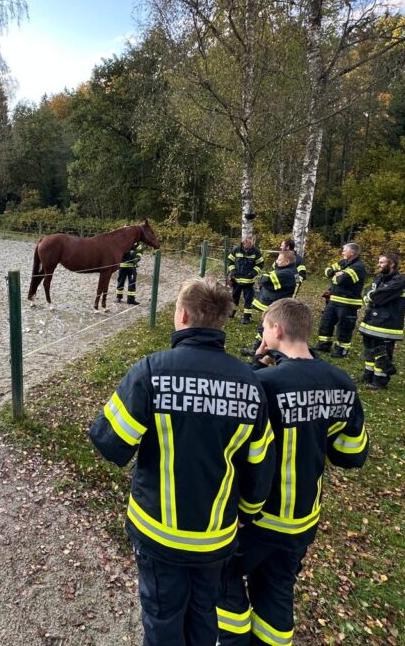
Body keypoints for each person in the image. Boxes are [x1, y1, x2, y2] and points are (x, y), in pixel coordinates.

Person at [89, 277, 275, 646]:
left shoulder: (152, 371)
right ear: (221, 321)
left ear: (183, 315)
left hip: (158, 531)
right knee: (204, 612)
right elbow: (259, 466)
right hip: (217, 535)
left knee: (162, 616)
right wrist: (248, 512)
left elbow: (110, 442)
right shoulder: (251, 383)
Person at [217, 298, 369, 646]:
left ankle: (232, 639)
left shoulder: (265, 384)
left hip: (258, 517)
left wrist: (256, 363)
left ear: (277, 330)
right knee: (278, 589)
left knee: (223, 578)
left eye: (264, 328)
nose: (262, 333)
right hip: (303, 518)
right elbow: (352, 455)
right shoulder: (341, 382)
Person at [358, 252, 405, 388]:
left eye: (381, 262)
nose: (378, 265)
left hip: (387, 325)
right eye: (379, 262)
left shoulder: (398, 281)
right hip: (371, 322)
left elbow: (378, 297)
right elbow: (367, 292)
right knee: (369, 351)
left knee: (383, 353)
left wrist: (370, 297)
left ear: (391, 264)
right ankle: (368, 376)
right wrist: (370, 296)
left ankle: (380, 381)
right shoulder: (380, 278)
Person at [241, 249, 299, 357]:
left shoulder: (286, 273)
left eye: (279, 259)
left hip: (276, 305)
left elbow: (265, 279)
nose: (277, 261)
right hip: (280, 304)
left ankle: (258, 350)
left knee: (265, 328)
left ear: (286, 261)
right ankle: (264, 349)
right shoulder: (291, 271)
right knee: (268, 328)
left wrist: (266, 278)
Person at [316, 242, 366, 358]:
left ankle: (341, 350)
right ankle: (324, 344)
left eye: (345, 250)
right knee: (326, 322)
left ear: (352, 253)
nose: (342, 252)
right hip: (333, 301)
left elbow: (342, 280)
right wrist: (337, 273)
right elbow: (328, 271)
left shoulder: (358, 267)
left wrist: (339, 274)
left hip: (347, 303)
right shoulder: (344, 262)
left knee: (344, 327)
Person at [227, 234, 264, 324]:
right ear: (242, 241)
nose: (247, 243)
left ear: (252, 242)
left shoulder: (256, 252)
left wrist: (253, 273)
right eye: (245, 241)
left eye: (249, 242)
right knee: (234, 297)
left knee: (248, 299)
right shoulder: (236, 250)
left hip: (249, 281)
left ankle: (247, 317)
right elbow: (230, 261)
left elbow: (260, 264)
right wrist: (233, 271)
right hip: (236, 280)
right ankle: (231, 313)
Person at [116, 240, 145, 305]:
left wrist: (137, 258)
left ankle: (131, 299)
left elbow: (140, 251)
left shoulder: (137, 242)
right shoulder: (123, 241)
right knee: (121, 281)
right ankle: (118, 297)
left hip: (132, 266)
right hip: (123, 265)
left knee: (132, 283)